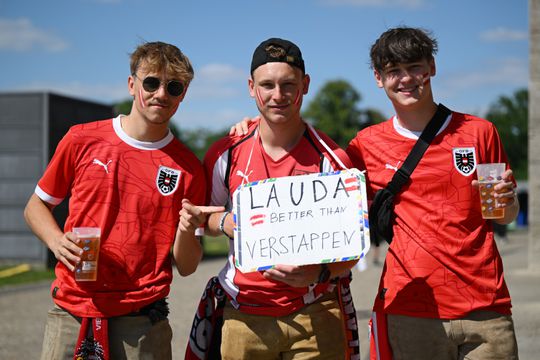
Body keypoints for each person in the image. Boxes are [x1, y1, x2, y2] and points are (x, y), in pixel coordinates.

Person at [23, 41, 220, 359]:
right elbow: (36, 206)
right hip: (73, 309)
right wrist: (57, 241)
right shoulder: (82, 139)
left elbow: (186, 265)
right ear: (132, 84)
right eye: (152, 82)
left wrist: (185, 229)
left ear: (183, 94)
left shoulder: (188, 168)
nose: (161, 94)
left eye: (173, 87)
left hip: (143, 321)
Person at [346, 27, 520, 360]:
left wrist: (507, 203)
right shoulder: (364, 146)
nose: (406, 79)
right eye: (394, 71)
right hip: (410, 309)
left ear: (432, 67)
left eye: (414, 67)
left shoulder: (479, 132)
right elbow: (317, 179)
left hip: (485, 306)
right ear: (378, 78)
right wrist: (258, 125)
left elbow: (500, 214)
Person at [192, 38, 360, 359]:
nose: (278, 96)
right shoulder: (225, 153)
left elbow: (353, 248)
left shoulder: (333, 159)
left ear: (305, 85)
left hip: (315, 309)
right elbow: (205, 218)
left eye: (288, 85)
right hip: (244, 314)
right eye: (267, 85)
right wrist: (229, 222)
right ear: (251, 87)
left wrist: (318, 274)